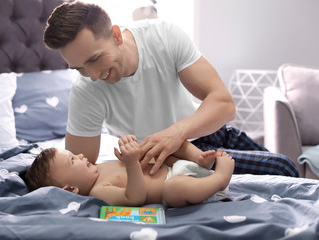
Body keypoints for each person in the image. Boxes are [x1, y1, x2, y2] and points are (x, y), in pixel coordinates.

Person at [43, 1, 299, 177]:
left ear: (117, 36)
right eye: (79, 68)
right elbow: (79, 165)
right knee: (284, 169)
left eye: (95, 59)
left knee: (289, 171)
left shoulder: (164, 36)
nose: (93, 76)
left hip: (207, 133)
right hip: (164, 161)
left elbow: (223, 104)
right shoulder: (85, 88)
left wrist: (174, 133)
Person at [25, 135, 235, 207]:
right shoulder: (98, 191)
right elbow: (134, 197)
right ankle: (219, 178)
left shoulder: (100, 168)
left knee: (165, 142)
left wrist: (130, 148)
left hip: (177, 167)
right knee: (173, 188)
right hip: (184, 188)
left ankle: (198, 161)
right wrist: (132, 163)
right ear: (71, 188)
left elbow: (141, 161)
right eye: (72, 160)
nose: (80, 156)